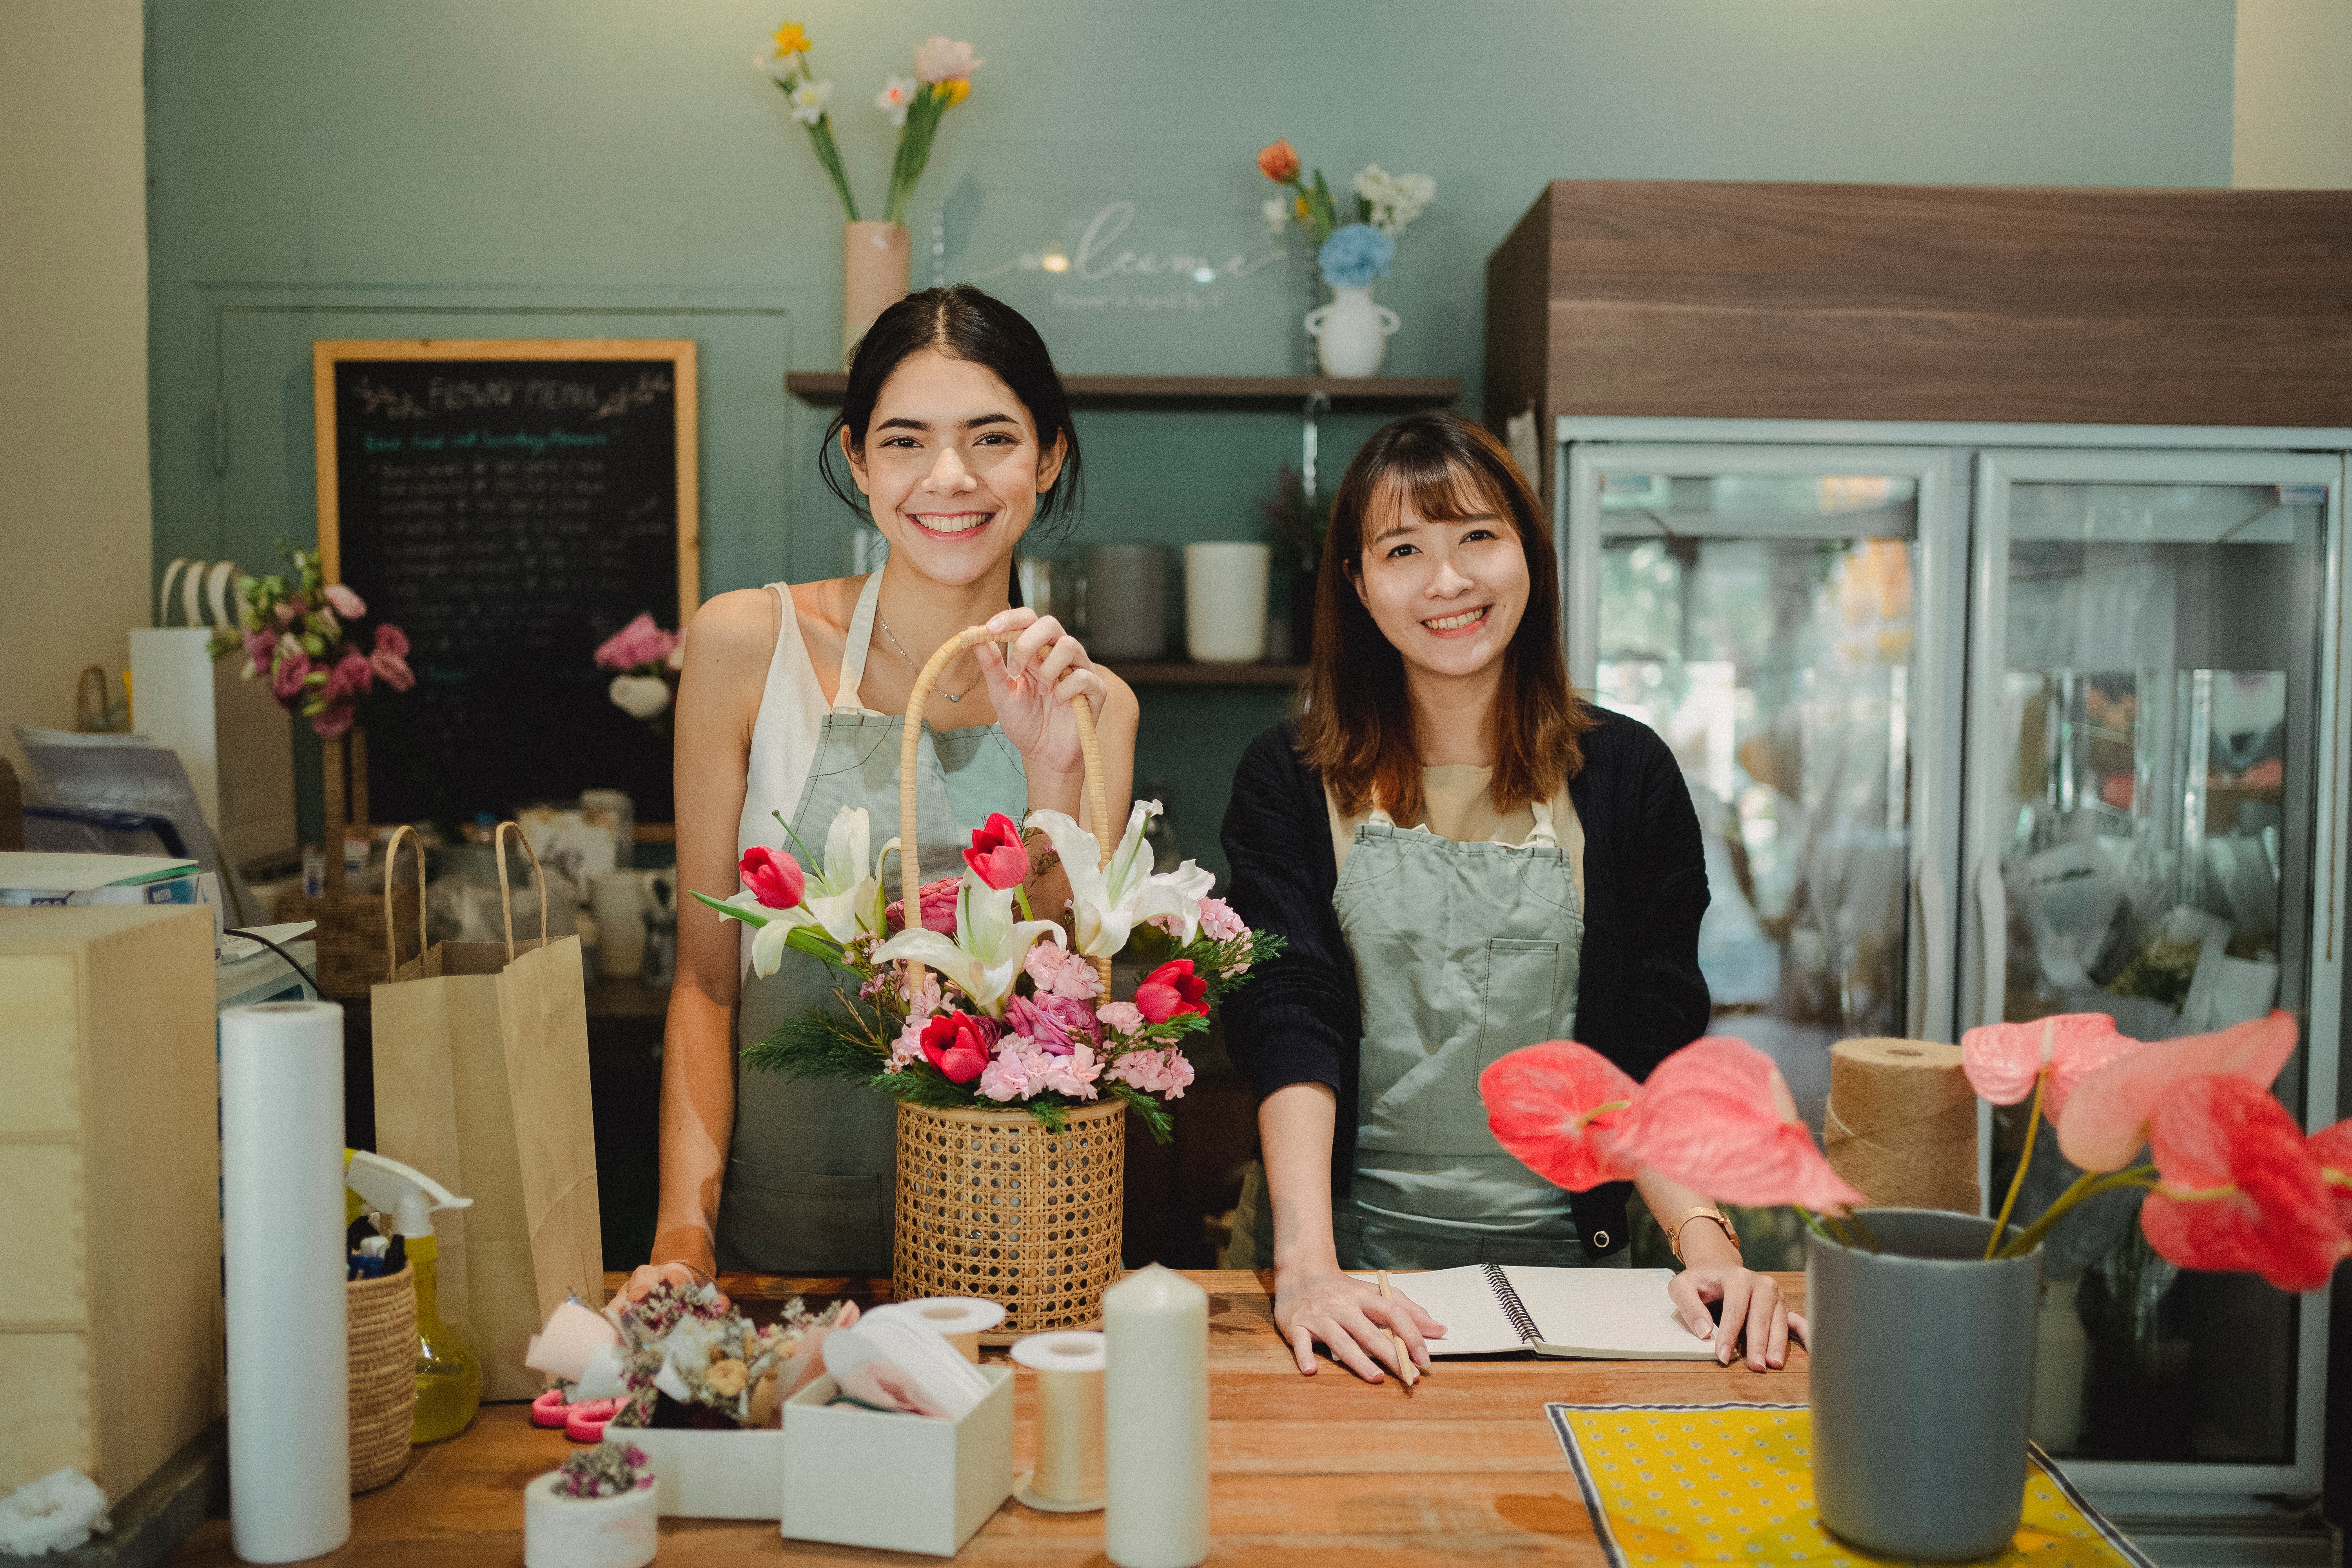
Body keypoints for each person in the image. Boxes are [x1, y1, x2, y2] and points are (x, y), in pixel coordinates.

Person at [1220, 412, 1799, 1381]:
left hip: (1587, 1277)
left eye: (1477, 537)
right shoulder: (1287, 773)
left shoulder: (1627, 775)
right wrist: (1308, 1268)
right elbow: (1289, 1015)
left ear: (1529, 551)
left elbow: (1649, 1041)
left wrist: (1709, 1245)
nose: (1448, 581)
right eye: (1404, 549)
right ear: (1358, 586)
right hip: (1341, 1271)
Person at [619, 285, 1137, 1300]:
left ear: (1050, 456)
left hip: (1007, 1258)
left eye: (992, 437)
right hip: (782, 1254)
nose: (950, 477)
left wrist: (1053, 776)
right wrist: (684, 1240)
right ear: (858, 460)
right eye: (905, 442)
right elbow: (708, 985)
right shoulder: (746, 644)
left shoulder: (1094, 709)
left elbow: (1063, 1024)